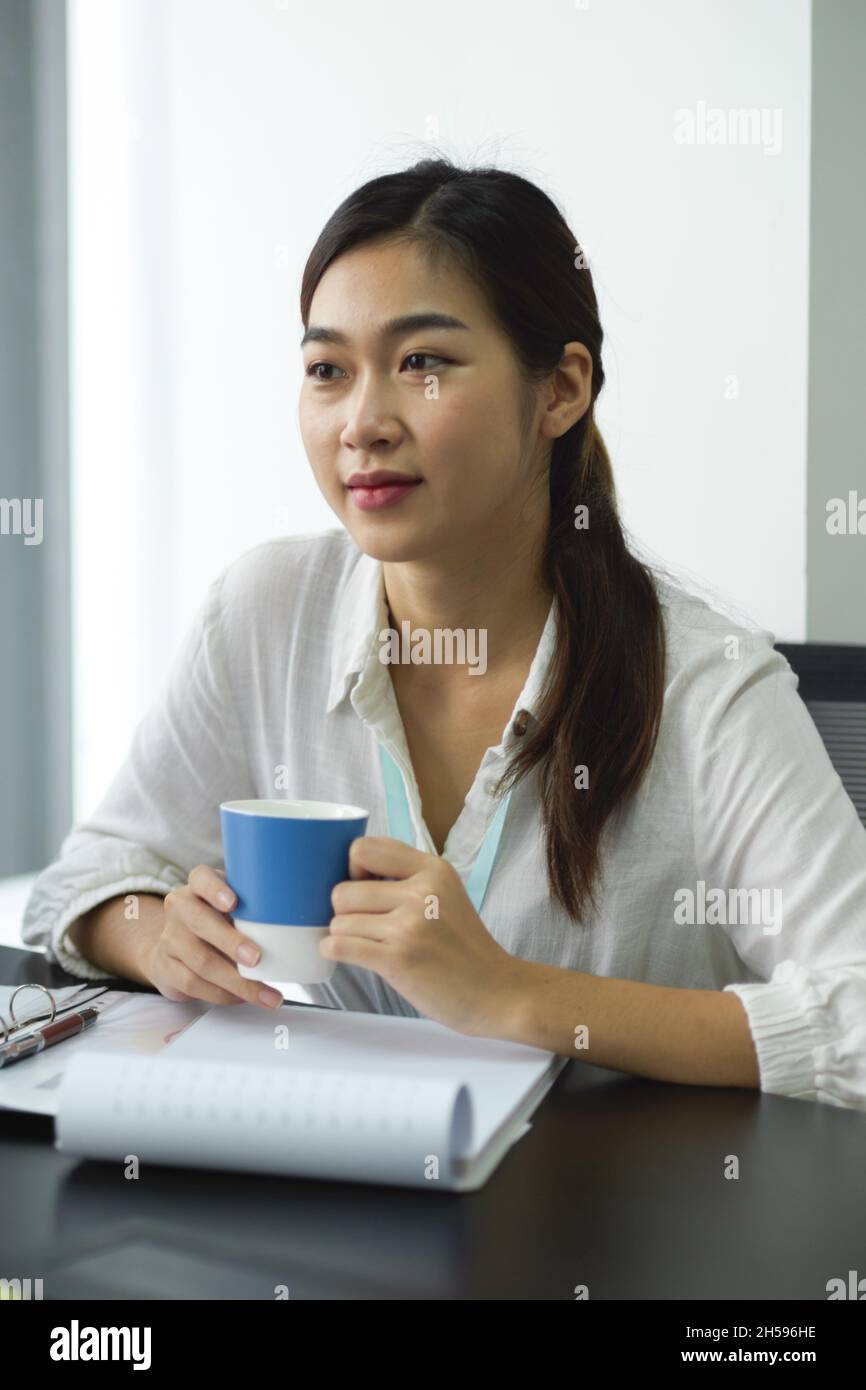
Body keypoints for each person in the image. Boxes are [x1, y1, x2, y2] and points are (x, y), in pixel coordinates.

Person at [22, 157, 866, 1106]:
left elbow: (858, 1017)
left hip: (620, 1221)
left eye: (423, 362)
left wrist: (508, 993)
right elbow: (87, 878)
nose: (363, 422)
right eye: (328, 371)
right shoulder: (265, 612)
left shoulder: (706, 684)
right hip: (345, 1193)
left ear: (561, 390)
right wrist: (149, 932)